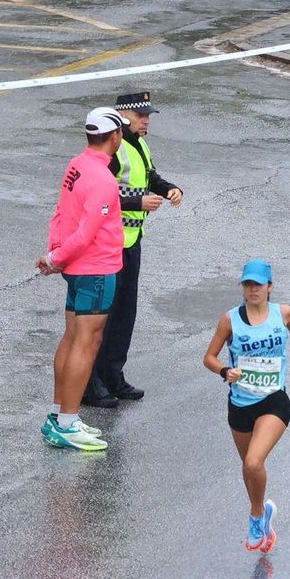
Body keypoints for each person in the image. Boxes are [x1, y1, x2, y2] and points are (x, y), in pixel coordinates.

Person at [200, 259, 290, 552]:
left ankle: (255, 516)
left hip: (274, 399)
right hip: (240, 403)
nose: (252, 290)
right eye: (247, 285)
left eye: (258, 285)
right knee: (248, 468)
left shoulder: (283, 313)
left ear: (269, 287)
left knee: (253, 462)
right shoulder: (230, 320)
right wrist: (225, 371)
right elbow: (209, 357)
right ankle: (263, 513)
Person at [35, 107, 127, 452]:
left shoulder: (76, 165)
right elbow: (87, 233)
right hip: (96, 269)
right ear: (115, 136)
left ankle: (60, 415)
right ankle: (68, 423)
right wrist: (56, 258)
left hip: (77, 269)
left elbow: (60, 213)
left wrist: (56, 254)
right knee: (86, 344)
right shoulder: (103, 179)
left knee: (72, 337)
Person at [84, 91, 183, 408]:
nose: (146, 122)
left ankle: (113, 375)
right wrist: (136, 203)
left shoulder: (138, 144)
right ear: (122, 114)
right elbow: (99, 195)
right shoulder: (113, 148)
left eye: (149, 116)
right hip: (110, 243)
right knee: (103, 317)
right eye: (141, 116)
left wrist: (168, 188)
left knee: (125, 314)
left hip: (131, 239)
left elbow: (148, 175)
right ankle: (91, 383)